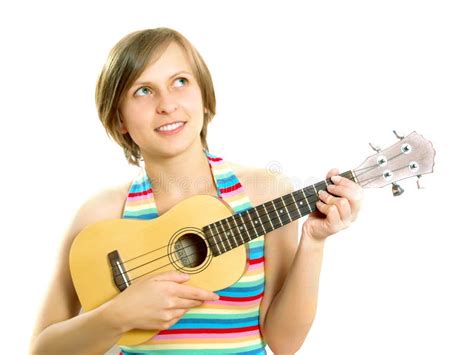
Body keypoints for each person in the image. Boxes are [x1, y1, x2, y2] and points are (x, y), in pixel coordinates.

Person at [29, 27, 363, 355]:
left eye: (180, 82)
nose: (167, 104)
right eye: (143, 91)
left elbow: (284, 343)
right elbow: (42, 349)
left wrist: (314, 242)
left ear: (204, 97)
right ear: (119, 119)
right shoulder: (101, 215)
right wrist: (116, 316)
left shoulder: (264, 193)